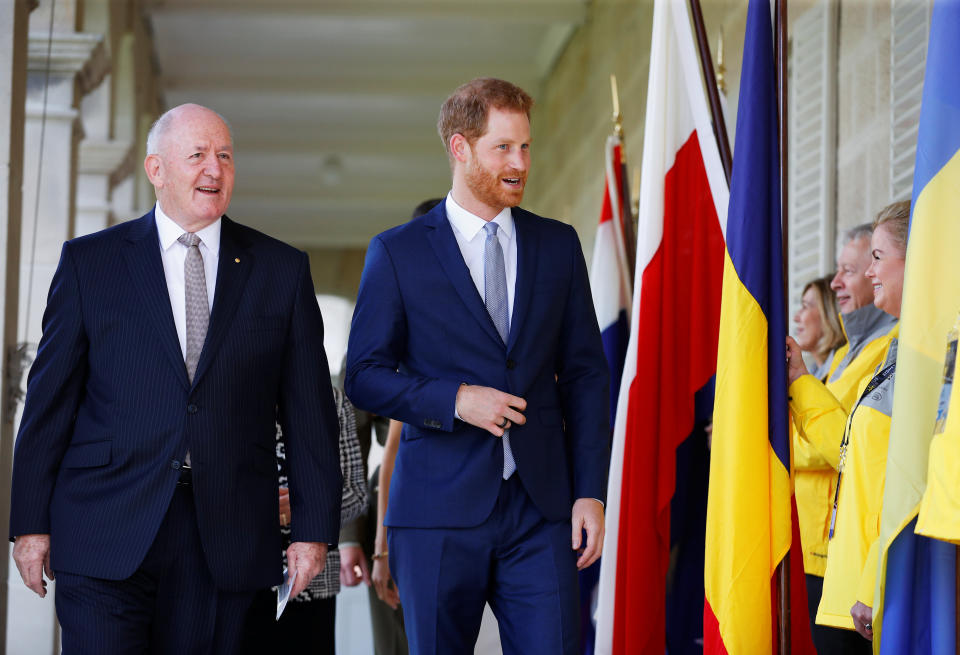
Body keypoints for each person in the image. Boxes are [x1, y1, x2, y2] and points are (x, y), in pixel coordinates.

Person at [9, 104, 342, 654]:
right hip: (102, 526)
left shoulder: (281, 271)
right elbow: (50, 403)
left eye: (225, 156)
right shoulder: (90, 263)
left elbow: (310, 415)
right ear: (156, 169)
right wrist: (29, 524)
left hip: (227, 535)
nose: (214, 168)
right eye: (197, 155)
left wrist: (312, 532)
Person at [345, 78, 609, 654]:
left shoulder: (557, 246)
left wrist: (591, 491)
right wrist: (455, 399)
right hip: (436, 511)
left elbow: (587, 373)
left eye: (527, 147)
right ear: (460, 149)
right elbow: (364, 374)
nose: (521, 164)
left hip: (542, 512)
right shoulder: (398, 252)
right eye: (504, 148)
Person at [787, 200, 910, 650]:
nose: (835, 282)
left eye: (869, 261)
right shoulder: (850, 354)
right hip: (848, 566)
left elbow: (842, 445)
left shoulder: (901, 347)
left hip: (865, 568)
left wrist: (778, 440)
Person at [244, 386, 366, 654]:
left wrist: (298, 512)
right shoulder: (226, 390)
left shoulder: (330, 398)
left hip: (312, 583)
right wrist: (251, 512)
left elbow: (355, 493)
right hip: (240, 579)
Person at [793, 277, 845, 379]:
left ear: (828, 314)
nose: (796, 318)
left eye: (805, 306)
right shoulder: (812, 374)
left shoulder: (844, 372)